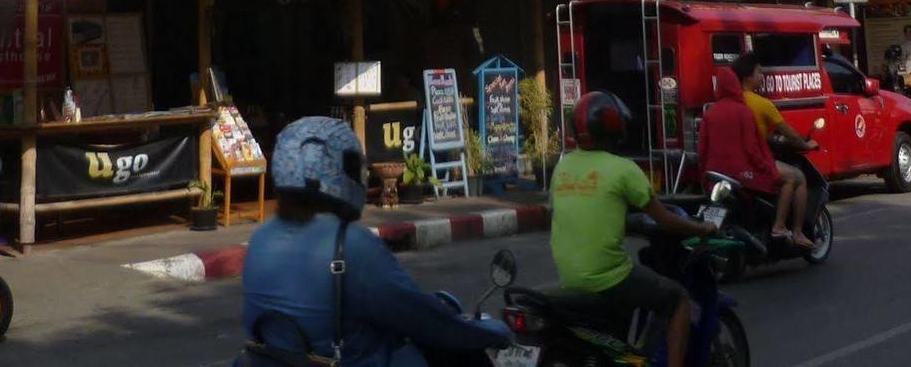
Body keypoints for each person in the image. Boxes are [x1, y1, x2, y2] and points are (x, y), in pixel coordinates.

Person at [237, 117, 511, 366]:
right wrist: (487, 333)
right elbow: (421, 318)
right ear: (334, 170)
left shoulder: (261, 239)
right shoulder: (349, 244)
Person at [555, 91, 717, 367]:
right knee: (678, 299)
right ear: (614, 129)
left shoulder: (563, 167)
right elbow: (664, 219)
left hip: (569, 275)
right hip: (608, 277)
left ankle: (626, 355)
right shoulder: (623, 170)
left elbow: (588, 212)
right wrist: (702, 228)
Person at [730, 52, 819, 249]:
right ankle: (790, 230)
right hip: (753, 163)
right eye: (759, 72)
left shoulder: (729, 102)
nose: (762, 76)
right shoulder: (761, 104)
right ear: (747, 76)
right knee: (797, 176)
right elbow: (791, 135)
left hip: (728, 165)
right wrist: (806, 145)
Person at [697, 64, 791, 247]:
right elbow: (752, 149)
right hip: (743, 175)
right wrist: (766, 169)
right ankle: (778, 227)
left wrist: (702, 175)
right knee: (788, 178)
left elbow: (702, 151)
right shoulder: (744, 112)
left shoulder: (710, 113)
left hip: (715, 177)